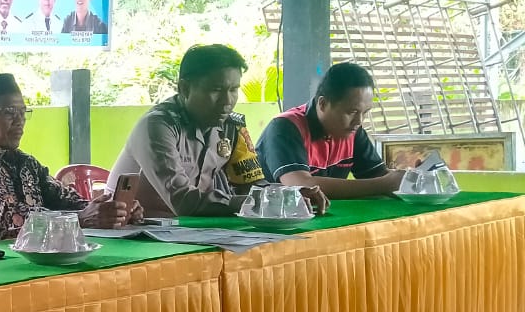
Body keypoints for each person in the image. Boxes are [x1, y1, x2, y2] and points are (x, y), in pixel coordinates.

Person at [108, 44, 328, 217]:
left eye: (234, 90)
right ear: (185, 88)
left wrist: (290, 194)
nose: (227, 101)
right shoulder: (158, 126)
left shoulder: (232, 126)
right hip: (133, 229)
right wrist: (270, 201)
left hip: (191, 230)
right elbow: (183, 201)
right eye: (216, 90)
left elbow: (250, 186)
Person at [0, 73, 141, 243]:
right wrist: (81, 220)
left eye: (23, 112)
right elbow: (15, 218)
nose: (20, 121)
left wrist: (112, 210)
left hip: (41, 256)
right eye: (10, 112)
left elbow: (67, 200)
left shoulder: (26, 162)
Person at [257, 62, 403, 197]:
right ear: (323, 104)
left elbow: (378, 176)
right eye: (351, 112)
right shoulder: (285, 127)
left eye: (364, 112)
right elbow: (300, 184)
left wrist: (408, 178)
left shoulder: (352, 131)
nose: (359, 121)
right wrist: (385, 184)